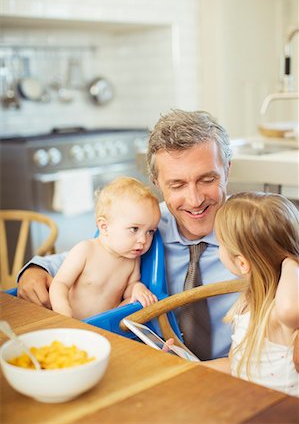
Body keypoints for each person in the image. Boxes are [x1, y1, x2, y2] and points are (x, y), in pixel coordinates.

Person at [17, 109, 299, 364]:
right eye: (177, 184)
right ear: (157, 183)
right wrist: (36, 269)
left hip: (243, 371)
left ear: (227, 169)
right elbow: (88, 255)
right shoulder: (145, 227)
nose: (195, 199)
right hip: (161, 365)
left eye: (207, 179)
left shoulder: (254, 226)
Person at [201, 192, 299, 397]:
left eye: (220, 244)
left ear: (242, 263)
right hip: (245, 401)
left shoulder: (278, 312)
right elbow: (237, 366)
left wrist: (292, 262)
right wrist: (186, 365)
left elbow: (291, 310)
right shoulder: (250, 300)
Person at [49, 176, 160, 319]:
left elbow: (129, 290)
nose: (143, 240)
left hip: (104, 328)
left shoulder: (132, 260)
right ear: (104, 227)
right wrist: (63, 314)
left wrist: (137, 288)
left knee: (136, 302)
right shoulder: (86, 250)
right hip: (71, 326)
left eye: (150, 232)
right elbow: (60, 284)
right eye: (134, 229)